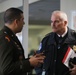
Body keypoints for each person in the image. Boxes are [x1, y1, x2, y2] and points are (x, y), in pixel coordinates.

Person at [0, 7, 45, 75]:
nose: (23, 23)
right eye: (22, 20)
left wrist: (32, 60)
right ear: (16, 22)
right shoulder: (4, 38)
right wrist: (29, 63)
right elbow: (6, 69)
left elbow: (15, 61)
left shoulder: (10, 36)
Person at [35, 10, 76, 75]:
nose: (53, 25)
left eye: (56, 21)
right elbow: (38, 60)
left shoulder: (74, 38)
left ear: (65, 23)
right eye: (52, 21)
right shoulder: (46, 40)